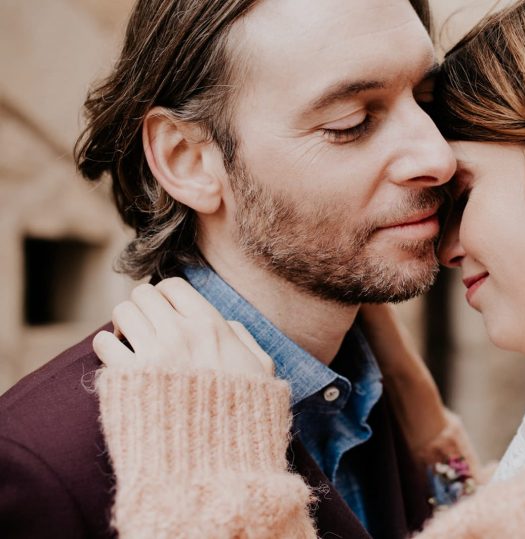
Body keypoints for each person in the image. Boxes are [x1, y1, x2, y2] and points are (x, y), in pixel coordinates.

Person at [95, 0, 525, 536]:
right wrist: (432, 437)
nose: (443, 239)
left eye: (463, 190)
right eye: (352, 123)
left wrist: (211, 475)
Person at [0, 1, 479, 538]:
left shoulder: (389, 389)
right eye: (352, 123)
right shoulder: (39, 463)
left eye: (428, 100)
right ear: (188, 159)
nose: (437, 158)